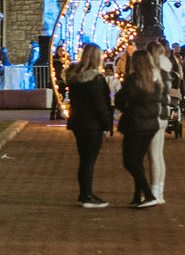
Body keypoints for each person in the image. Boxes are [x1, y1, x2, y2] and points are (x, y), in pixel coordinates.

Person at [65, 44, 113, 208]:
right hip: (92, 124)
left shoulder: (74, 78)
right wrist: (107, 126)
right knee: (89, 160)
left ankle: (85, 192)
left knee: (84, 159)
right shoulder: (95, 79)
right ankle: (86, 195)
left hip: (78, 122)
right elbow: (100, 104)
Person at [113, 50, 163, 208]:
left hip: (135, 124)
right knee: (138, 160)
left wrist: (125, 106)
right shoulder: (154, 80)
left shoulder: (133, 80)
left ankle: (148, 195)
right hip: (150, 125)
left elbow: (120, 100)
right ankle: (137, 195)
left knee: (129, 162)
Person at [145, 41, 174, 200]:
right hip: (164, 114)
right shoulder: (166, 70)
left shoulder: (155, 72)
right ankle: (159, 191)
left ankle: (155, 192)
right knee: (159, 155)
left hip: (156, 115)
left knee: (153, 156)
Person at [49, 44, 69, 120]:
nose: (61, 52)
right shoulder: (54, 60)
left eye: (62, 50)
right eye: (60, 50)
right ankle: (53, 113)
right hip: (57, 80)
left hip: (63, 80)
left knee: (62, 97)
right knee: (56, 98)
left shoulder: (64, 59)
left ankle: (58, 113)